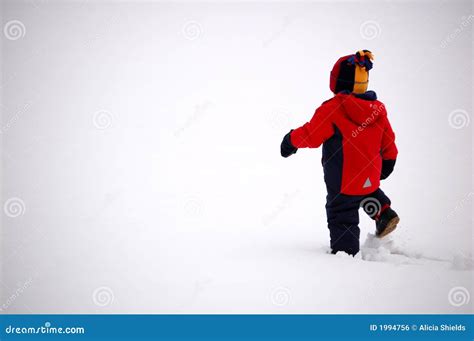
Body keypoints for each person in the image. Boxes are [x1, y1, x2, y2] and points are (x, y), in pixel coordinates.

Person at [280, 50, 399, 256]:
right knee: (366, 192)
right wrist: (389, 160)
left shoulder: (333, 109)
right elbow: (388, 139)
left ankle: (346, 253)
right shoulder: (377, 109)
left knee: (341, 212)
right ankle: (383, 213)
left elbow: (312, 134)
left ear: (337, 82)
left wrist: (291, 140)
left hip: (342, 182)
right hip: (370, 176)